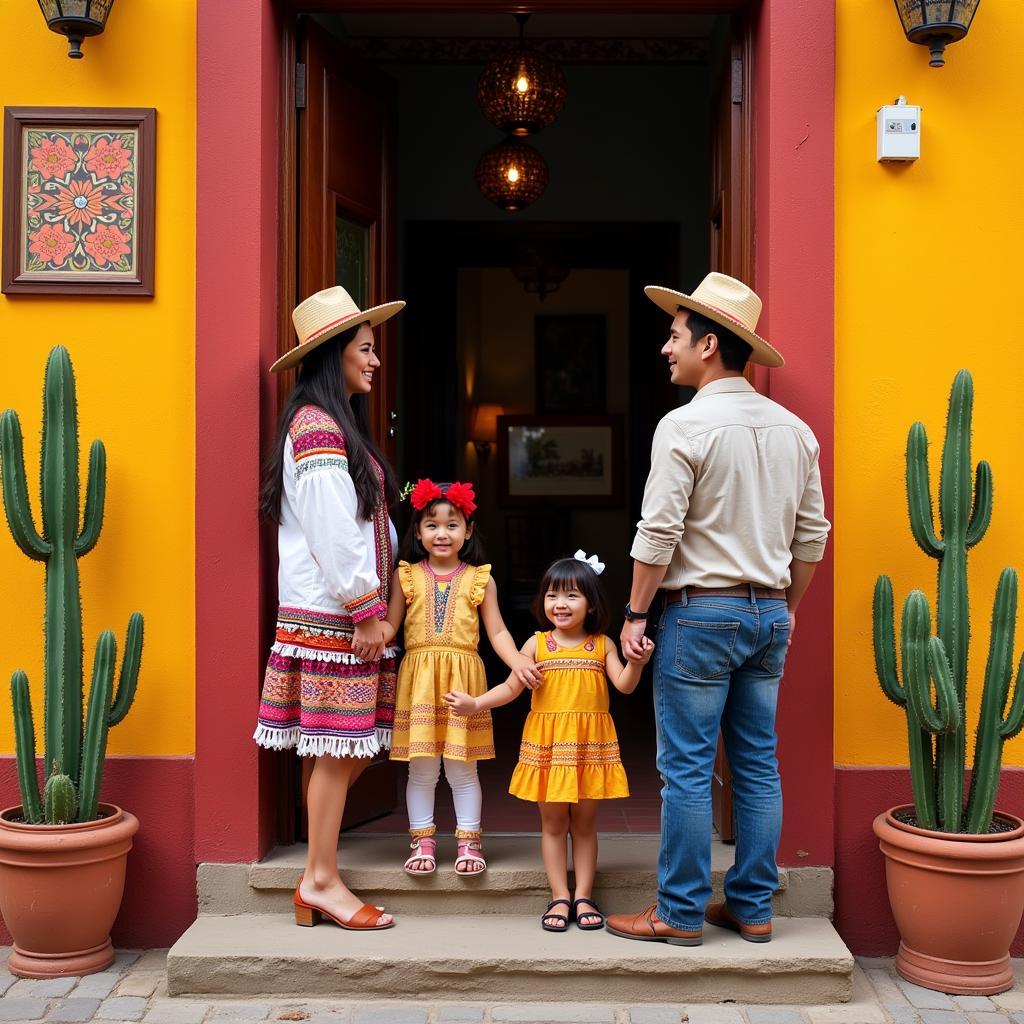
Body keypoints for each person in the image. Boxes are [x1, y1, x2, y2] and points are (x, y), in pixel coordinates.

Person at [607, 272, 831, 947]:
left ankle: (677, 913)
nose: (665, 348)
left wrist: (634, 615)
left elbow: (657, 535)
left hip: (700, 615)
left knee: (687, 769)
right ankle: (753, 907)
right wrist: (782, 607)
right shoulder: (795, 430)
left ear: (709, 343)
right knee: (758, 763)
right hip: (767, 615)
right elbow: (813, 535)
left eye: (674, 336)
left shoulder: (685, 425)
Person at [254, 285, 405, 932]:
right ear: (333, 355)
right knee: (339, 754)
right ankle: (319, 880)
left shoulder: (329, 424)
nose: (375, 361)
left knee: (333, 754)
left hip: (335, 615)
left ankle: (317, 878)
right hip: (336, 619)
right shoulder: (317, 428)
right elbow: (332, 530)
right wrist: (367, 609)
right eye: (365, 349)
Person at [446, 552, 654, 932]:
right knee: (554, 823)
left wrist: (636, 663)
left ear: (591, 603)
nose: (560, 604)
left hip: (588, 747)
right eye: (553, 595)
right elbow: (511, 688)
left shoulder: (601, 644)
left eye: (572, 596)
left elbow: (624, 685)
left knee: (587, 824)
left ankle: (584, 895)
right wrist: (476, 703)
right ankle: (560, 894)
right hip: (549, 746)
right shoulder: (536, 645)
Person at [383, 478, 542, 876]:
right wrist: (364, 631)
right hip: (418, 682)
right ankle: (422, 840)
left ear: (468, 531)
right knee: (421, 768)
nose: (442, 533)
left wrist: (518, 661)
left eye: (452, 524)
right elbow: (390, 627)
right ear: (418, 532)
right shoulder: (406, 577)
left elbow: (499, 632)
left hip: (463, 682)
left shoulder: (479, 579)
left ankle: (469, 842)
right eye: (432, 524)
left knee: (462, 766)